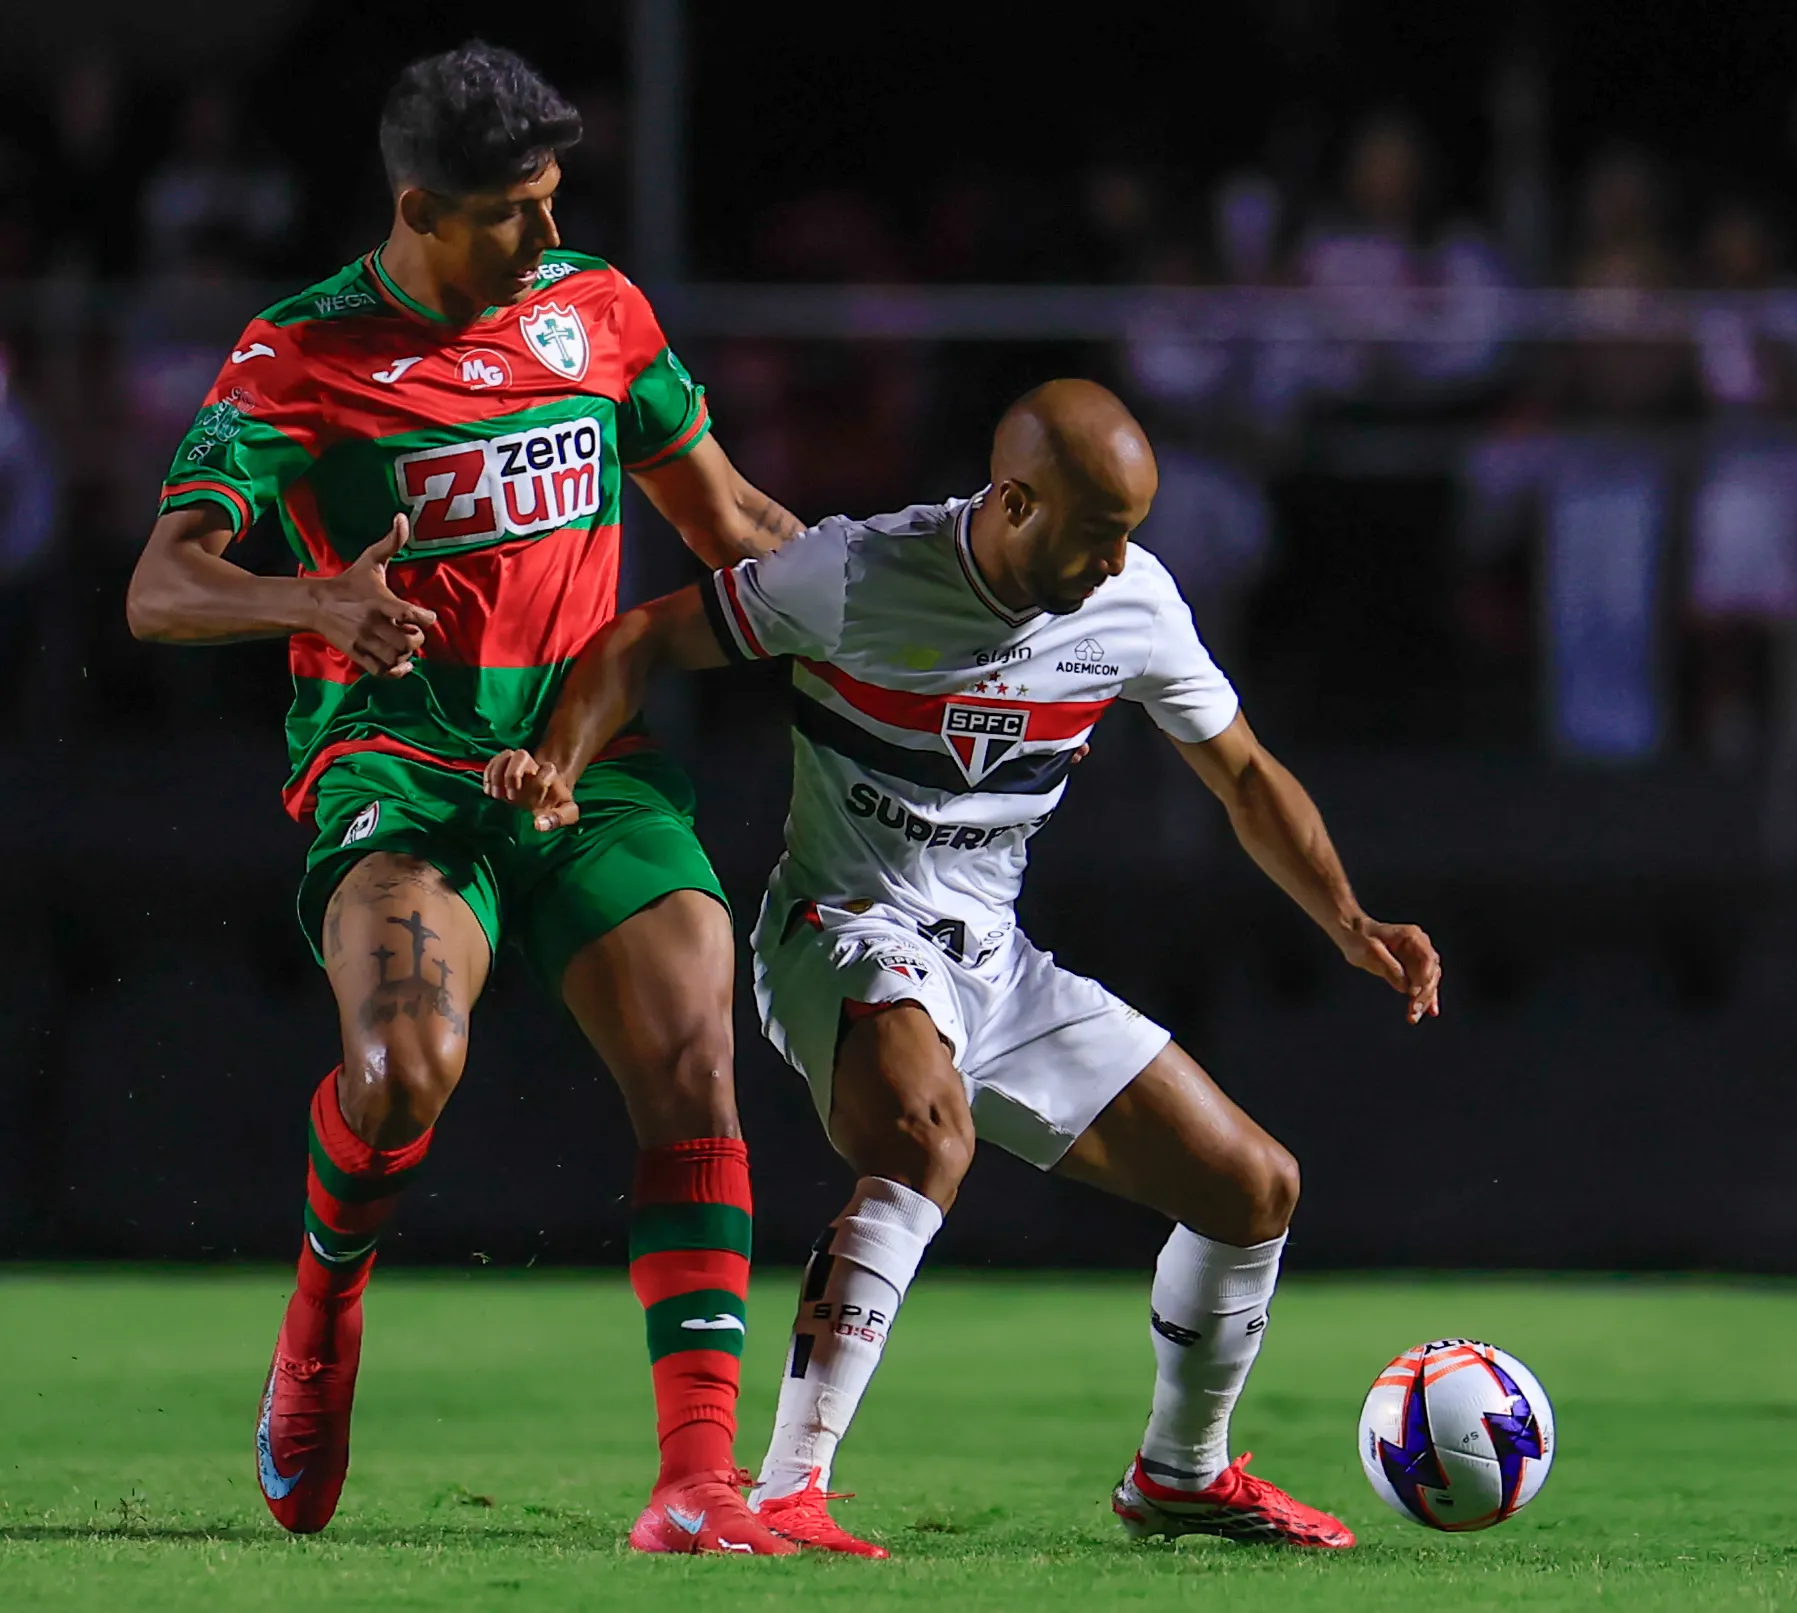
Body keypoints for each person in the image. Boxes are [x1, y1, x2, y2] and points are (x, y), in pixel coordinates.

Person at [486, 379, 1445, 1556]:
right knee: (925, 1137)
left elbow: (1243, 772)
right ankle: (788, 1485)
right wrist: (558, 759)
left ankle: (1180, 1475)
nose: (1115, 561)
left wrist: (1349, 919)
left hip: (995, 963)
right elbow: (644, 636)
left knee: (1254, 1189)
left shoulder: (1134, 604)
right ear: (1017, 502)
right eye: (1097, 534)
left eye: (1129, 534)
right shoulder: (857, 574)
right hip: (840, 925)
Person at [123, 43, 805, 1557]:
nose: (546, 237)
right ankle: (320, 1320)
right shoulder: (300, 357)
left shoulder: (600, 312)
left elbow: (735, 523)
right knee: (399, 1080)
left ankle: (697, 1483)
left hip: (586, 764)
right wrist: (311, 595)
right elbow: (161, 588)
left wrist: (900, 603)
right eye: (513, 211)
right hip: (403, 782)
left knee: (698, 1058)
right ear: (421, 207)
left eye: (556, 200)